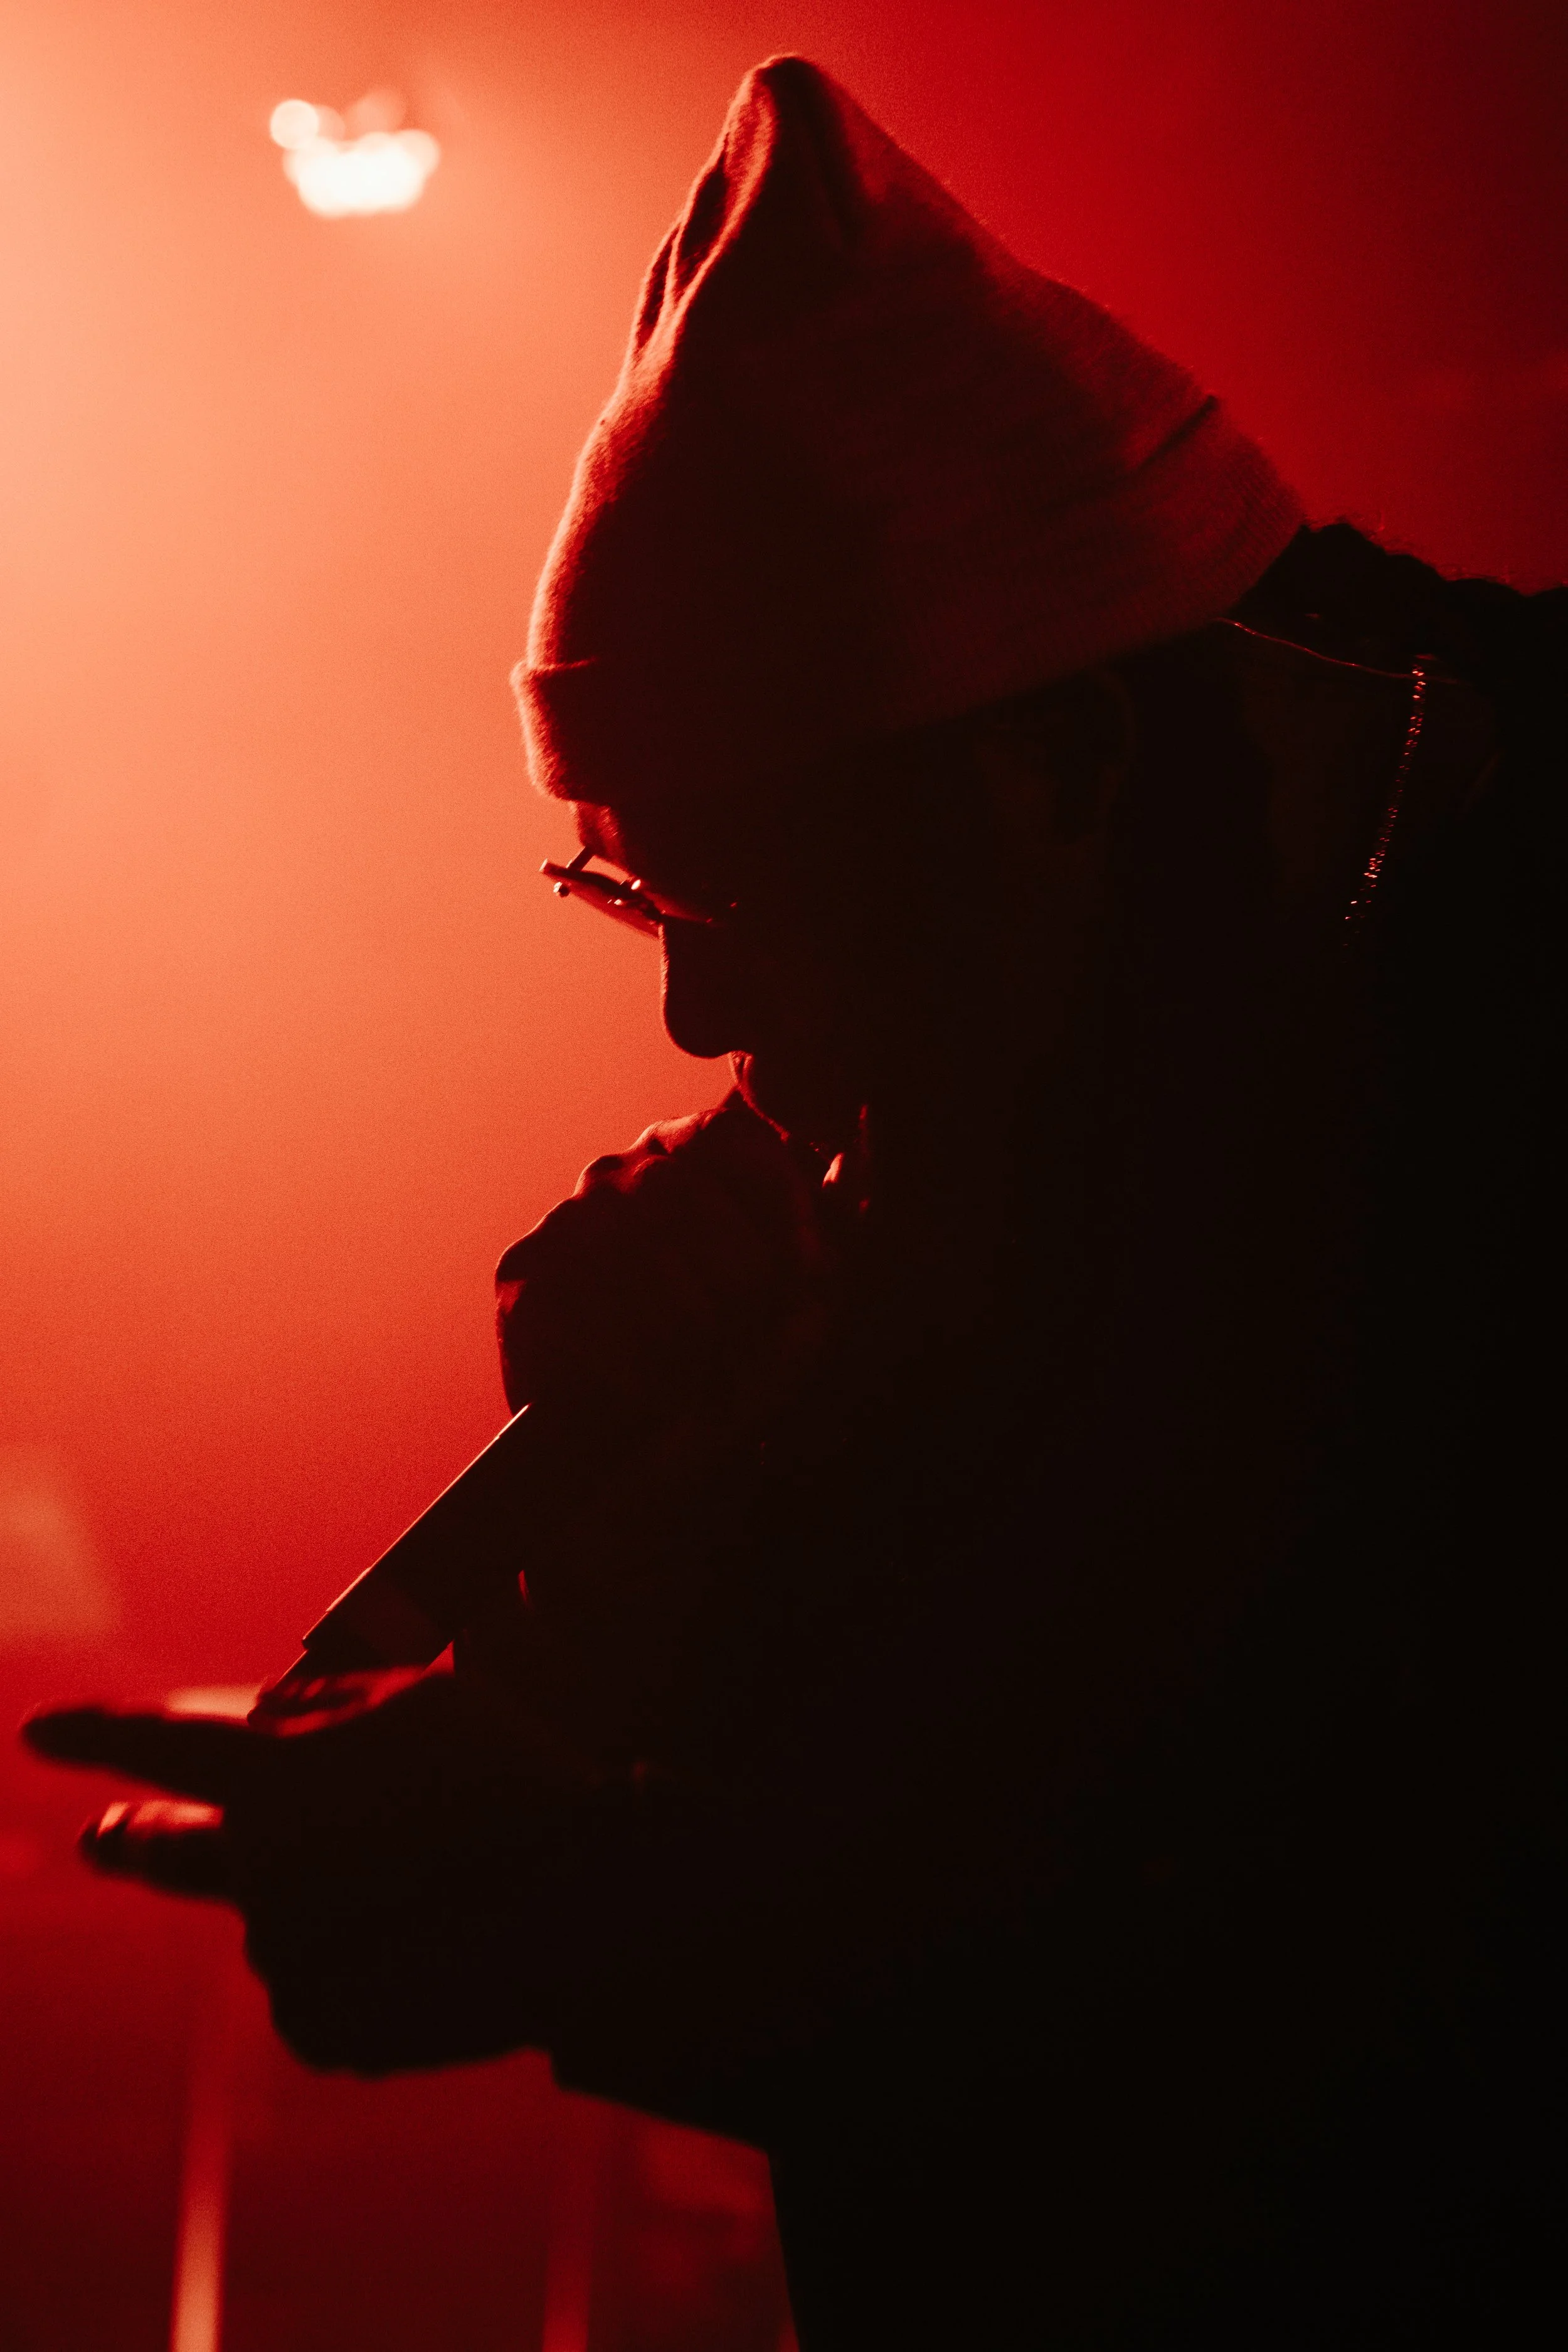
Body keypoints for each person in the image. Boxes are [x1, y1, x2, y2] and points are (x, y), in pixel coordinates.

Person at [26, 56, 1564, 2348]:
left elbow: (1388, 1981)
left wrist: (623, 1903)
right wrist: (672, 1463)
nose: (698, 1019)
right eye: (641, 894)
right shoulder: (1059, 1046)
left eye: (751, 885)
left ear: (1060, 760)